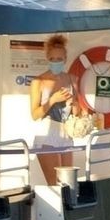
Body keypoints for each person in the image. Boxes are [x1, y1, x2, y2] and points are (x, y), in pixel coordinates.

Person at [30, 33, 76, 180]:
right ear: (47, 59)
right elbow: (35, 115)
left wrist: (74, 103)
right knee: (55, 182)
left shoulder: (72, 79)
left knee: (68, 182)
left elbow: (77, 112)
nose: (56, 62)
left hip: (66, 132)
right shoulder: (38, 81)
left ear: (65, 59)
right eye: (52, 59)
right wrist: (53, 100)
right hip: (46, 134)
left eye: (59, 59)